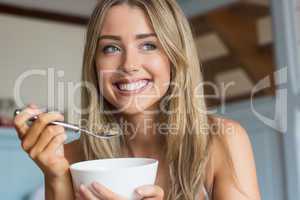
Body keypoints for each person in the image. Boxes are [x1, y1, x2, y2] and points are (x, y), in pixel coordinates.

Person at [13, 0, 261, 199]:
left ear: (174, 57)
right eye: (111, 48)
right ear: (94, 63)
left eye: (148, 45)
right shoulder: (69, 158)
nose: (129, 65)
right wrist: (55, 176)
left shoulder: (222, 141)